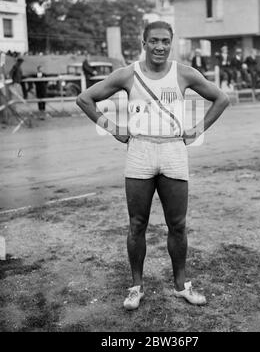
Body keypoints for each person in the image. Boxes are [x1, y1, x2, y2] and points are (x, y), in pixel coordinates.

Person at [76, 21, 229, 310]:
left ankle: (181, 285)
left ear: (171, 43)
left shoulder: (184, 73)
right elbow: (84, 99)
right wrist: (113, 128)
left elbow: (221, 99)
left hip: (173, 150)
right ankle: (136, 287)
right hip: (140, 151)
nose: (160, 46)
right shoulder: (127, 74)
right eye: (154, 41)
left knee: (178, 224)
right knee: (137, 224)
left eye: (165, 41)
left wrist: (197, 129)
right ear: (143, 43)